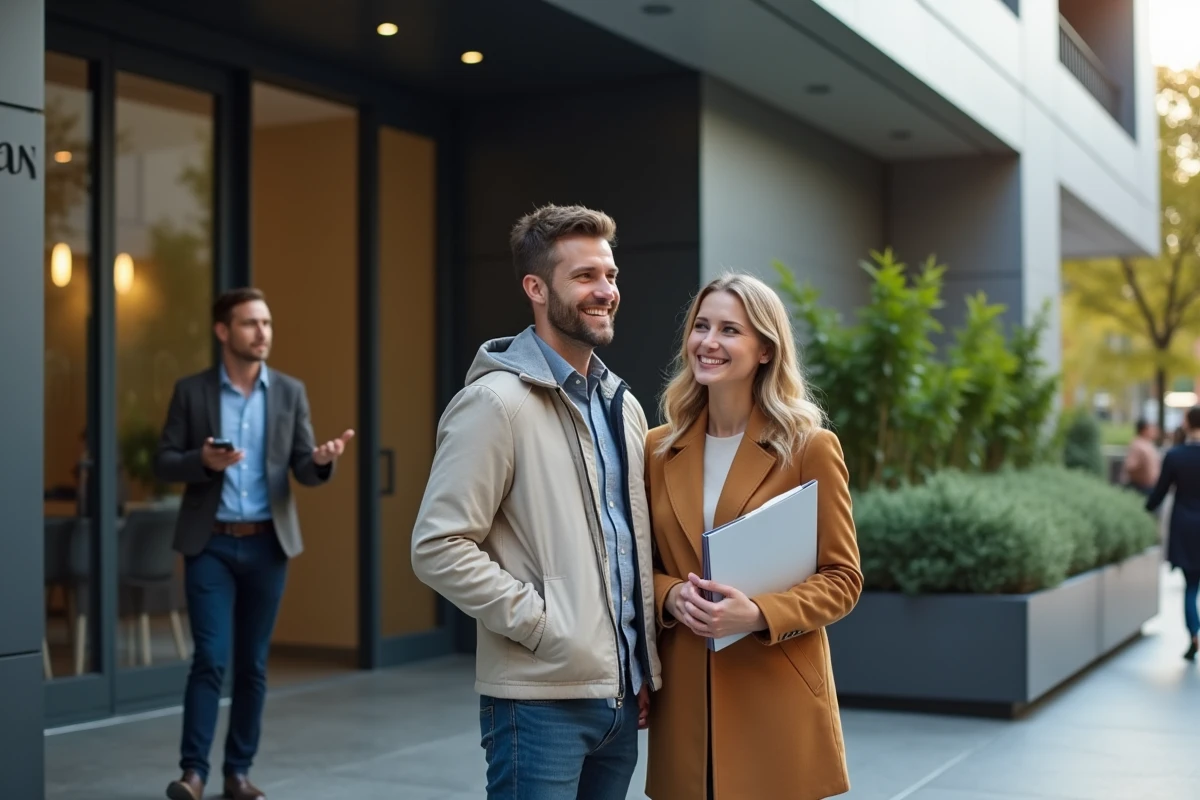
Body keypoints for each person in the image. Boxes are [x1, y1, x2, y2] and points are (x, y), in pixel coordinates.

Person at [411, 204, 661, 800]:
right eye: (584, 277)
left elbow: (629, 541)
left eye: (611, 275)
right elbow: (438, 546)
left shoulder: (622, 405)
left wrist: (640, 661)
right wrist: (545, 628)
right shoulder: (495, 404)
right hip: (538, 703)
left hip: (622, 700)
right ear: (536, 288)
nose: (606, 291)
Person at [644, 273, 862, 800]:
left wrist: (758, 613)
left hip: (776, 692)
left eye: (729, 330)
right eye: (701, 326)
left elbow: (843, 579)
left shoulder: (809, 446)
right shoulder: (656, 447)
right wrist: (669, 594)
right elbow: (633, 565)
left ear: (765, 348)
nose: (709, 343)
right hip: (687, 697)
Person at [156, 287, 354, 800]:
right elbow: (164, 461)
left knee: (253, 665)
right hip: (211, 546)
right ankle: (193, 774)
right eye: (250, 324)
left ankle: (237, 773)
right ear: (224, 331)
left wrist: (323, 460)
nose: (262, 333)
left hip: (268, 546)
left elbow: (302, 469)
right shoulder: (192, 392)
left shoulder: (289, 392)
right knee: (210, 659)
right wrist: (202, 460)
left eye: (266, 323)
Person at [1146, 404, 1200, 663]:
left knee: (1190, 587)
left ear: (1188, 423)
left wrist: (1142, 510)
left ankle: (1194, 635)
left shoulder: (1175, 455)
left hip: (1185, 528)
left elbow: (1158, 494)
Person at [1120, 418, 1162, 496]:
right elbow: (1130, 467)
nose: (1155, 431)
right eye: (1151, 428)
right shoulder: (1137, 445)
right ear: (1144, 430)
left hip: (1150, 487)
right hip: (1142, 488)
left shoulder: (1148, 443)